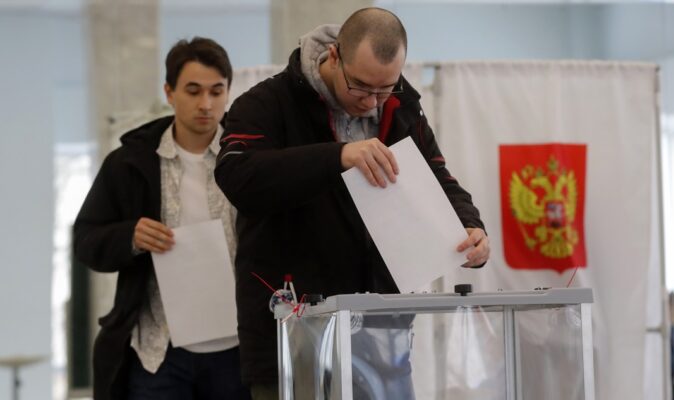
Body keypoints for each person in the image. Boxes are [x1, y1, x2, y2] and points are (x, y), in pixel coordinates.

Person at [215, 7, 489, 399]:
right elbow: (237, 177)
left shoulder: (403, 107)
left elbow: (439, 179)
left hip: (380, 334)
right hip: (294, 331)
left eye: (385, 89)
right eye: (360, 87)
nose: (371, 102)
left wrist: (470, 226)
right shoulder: (267, 103)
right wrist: (336, 156)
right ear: (333, 57)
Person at [74, 37, 250, 400]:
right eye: (193, 90)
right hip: (160, 351)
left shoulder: (249, 158)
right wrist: (130, 237)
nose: (206, 104)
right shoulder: (128, 163)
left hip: (239, 348)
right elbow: (86, 240)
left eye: (217, 91)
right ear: (169, 92)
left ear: (229, 92)